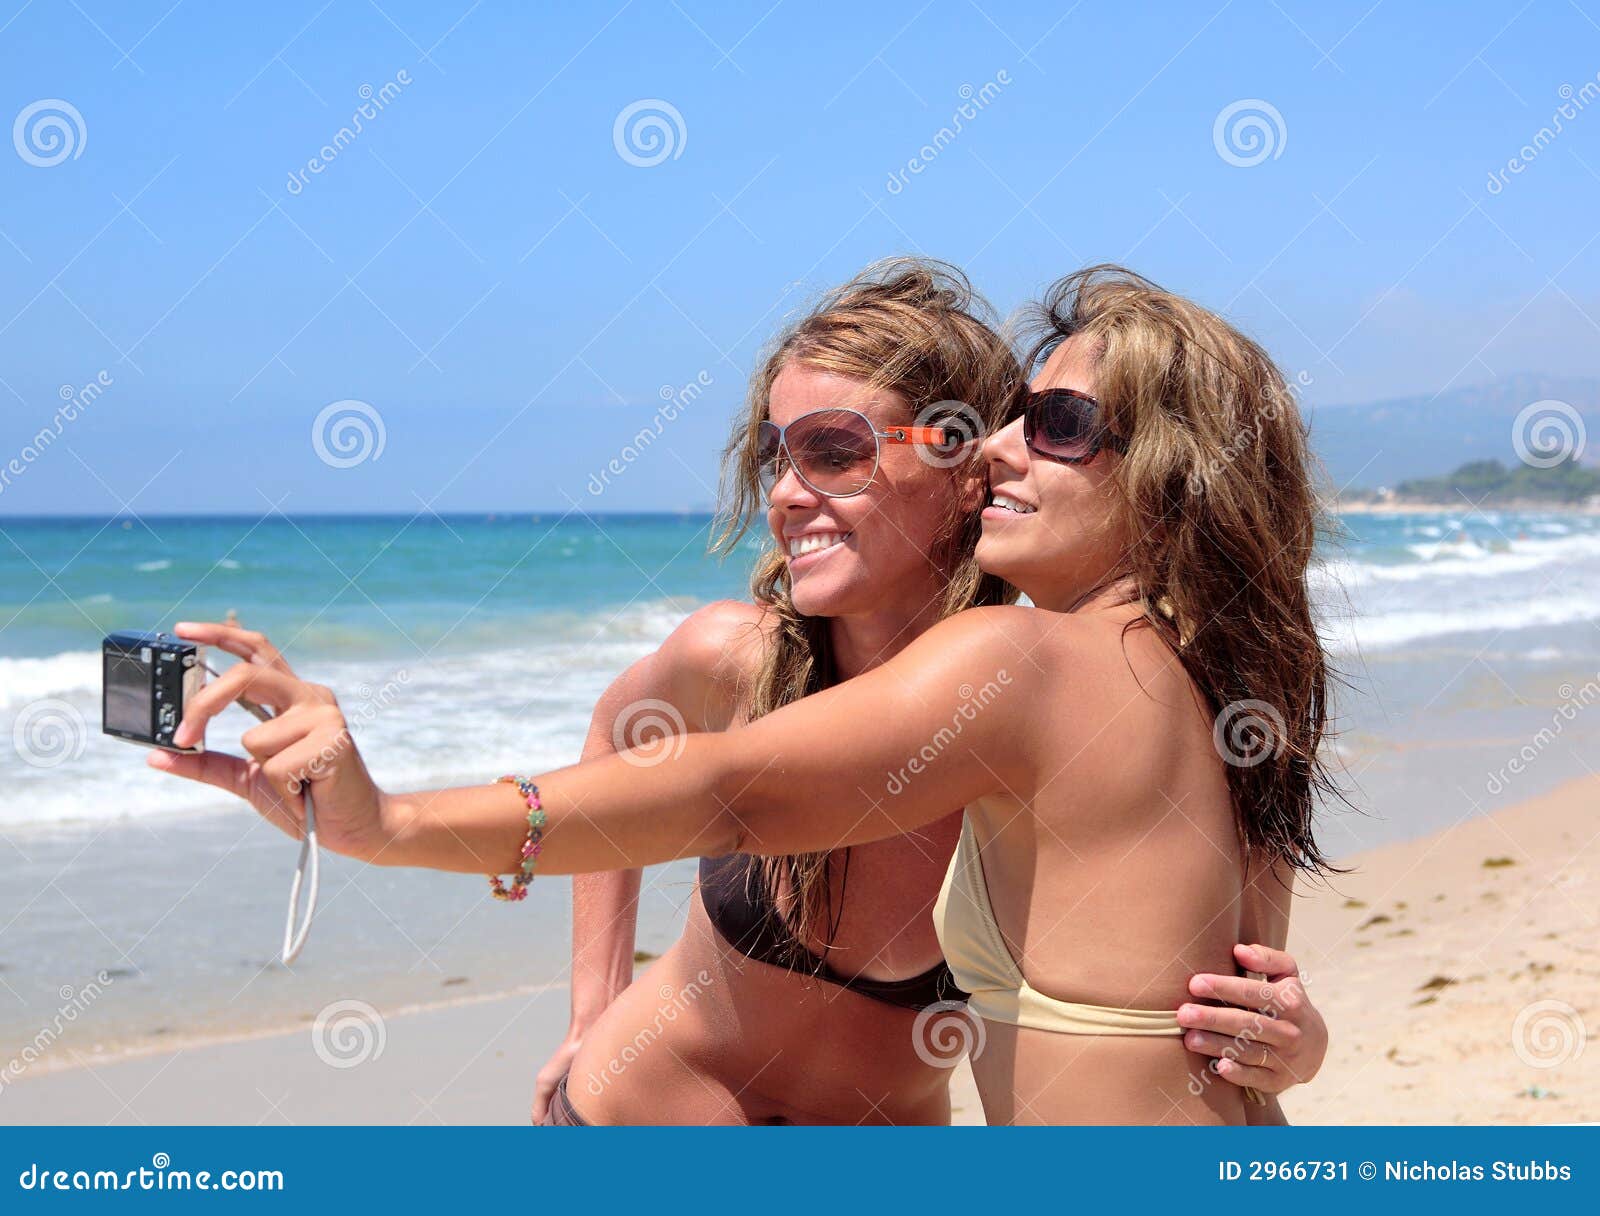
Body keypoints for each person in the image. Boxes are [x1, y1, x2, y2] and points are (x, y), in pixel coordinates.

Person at [154, 263, 1334, 1124]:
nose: (786, 492)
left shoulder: (1032, 678)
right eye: (777, 456)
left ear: (954, 458)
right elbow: (643, 751)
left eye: (831, 450)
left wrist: (1291, 1040)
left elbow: (1224, 994)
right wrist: (589, 1002)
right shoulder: (746, 656)